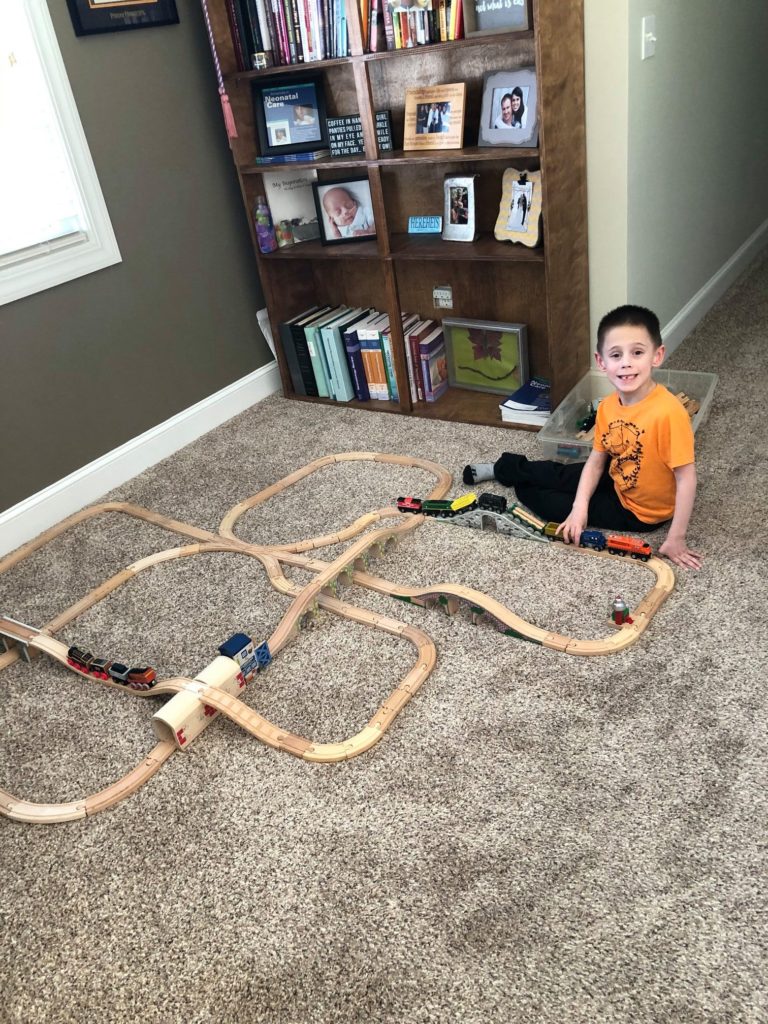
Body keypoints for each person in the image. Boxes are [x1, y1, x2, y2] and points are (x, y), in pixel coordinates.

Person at [462, 305, 702, 569]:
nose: (626, 362)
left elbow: (686, 477)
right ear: (602, 362)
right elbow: (597, 460)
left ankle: (518, 480)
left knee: (543, 501)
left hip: (638, 513)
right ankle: (502, 468)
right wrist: (580, 505)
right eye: (616, 355)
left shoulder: (669, 413)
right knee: (557, 472)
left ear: (657, 356)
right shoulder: (609, 407)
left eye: (637, 352)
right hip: (615, 477)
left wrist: (676, 538)